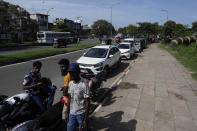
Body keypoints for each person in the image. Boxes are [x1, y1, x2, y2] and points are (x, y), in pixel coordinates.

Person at [67, 63, 90, 131]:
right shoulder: (70, 83)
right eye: (70, 73)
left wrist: (85, 120)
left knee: (82, 129)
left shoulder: (84, 84)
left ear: (78, 72)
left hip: (81, 114)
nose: (71, 74)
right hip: (72, 113)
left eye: (73, 72)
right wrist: (68, 113)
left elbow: (88, 102)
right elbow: (70, 98)